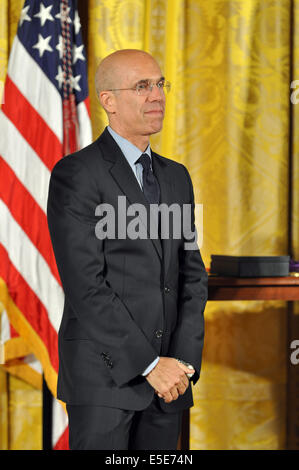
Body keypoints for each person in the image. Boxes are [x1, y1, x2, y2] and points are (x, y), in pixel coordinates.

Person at [47, 49, 208, 450]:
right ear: (109, 101)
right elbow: (86, 286)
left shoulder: (177, 177)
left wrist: (181, 364)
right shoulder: (77, 174)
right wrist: (149, 364)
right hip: (105, 381)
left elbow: (192, 275)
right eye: (142, 87)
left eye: (159, 84)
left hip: (169, 384)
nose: (157, 96)